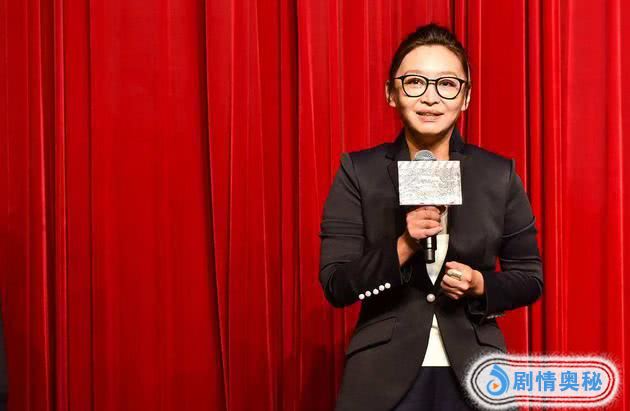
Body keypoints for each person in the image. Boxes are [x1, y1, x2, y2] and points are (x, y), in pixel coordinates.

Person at [318, 23, 543, 411]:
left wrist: (479, 285)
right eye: (415, 82)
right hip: (382, 374)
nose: (430, 97)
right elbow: (337, 284)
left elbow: (530, 278)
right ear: (391, 93)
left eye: (447, 84)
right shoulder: (359, 172)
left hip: (476, 371)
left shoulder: (497, 174)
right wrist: (404, 246)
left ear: (466, 97)